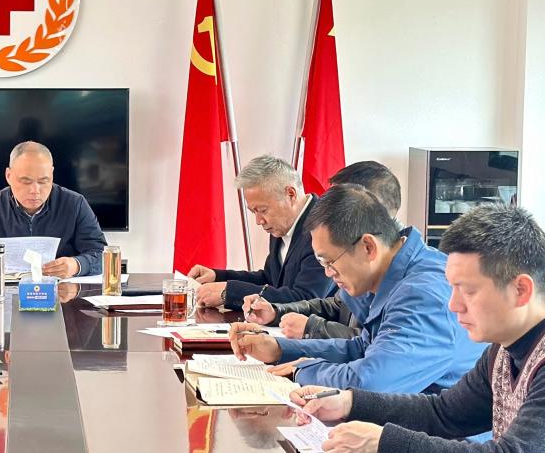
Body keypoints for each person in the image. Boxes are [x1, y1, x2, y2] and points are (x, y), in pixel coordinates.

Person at [292, 205, 545, 453]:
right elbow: (445, 413)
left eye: (468, 290)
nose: (453, 305)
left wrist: (384, 443)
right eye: (452, 288)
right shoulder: (501, 351)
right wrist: (348, 402)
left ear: (521, 290)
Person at [231, 184, 485, 391]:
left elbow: (374, 381)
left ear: (368, 247)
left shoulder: (423, 294)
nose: (328, 273)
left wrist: (303, 370)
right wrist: (279, 349)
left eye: (329, 261)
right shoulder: (387, 277)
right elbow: (363, 348)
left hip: (436, 434)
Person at [244, 160, 402, 339]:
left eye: (337, 210)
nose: (329, 218)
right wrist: (276, 311)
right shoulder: (372, 255)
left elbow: (375, 344)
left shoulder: (413, 285)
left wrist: (311, 329)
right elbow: (337, 306)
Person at [189, 155, 333, 308]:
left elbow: (305, 299)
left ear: (291, 194)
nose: (259, 221)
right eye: (254, 212)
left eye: (263, 210)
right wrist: (218, 276)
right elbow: (270, 280)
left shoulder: (324, 228)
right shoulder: (282, 223)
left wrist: (229, 293)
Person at [0, 141, 107, 278]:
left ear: (52, 175)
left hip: (61, 294)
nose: (35, 190)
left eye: (43, 181)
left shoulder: (75, 204)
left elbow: (103, 255)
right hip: (4, 294)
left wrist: (76, 265)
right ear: (8, 176)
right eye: (26, 182)